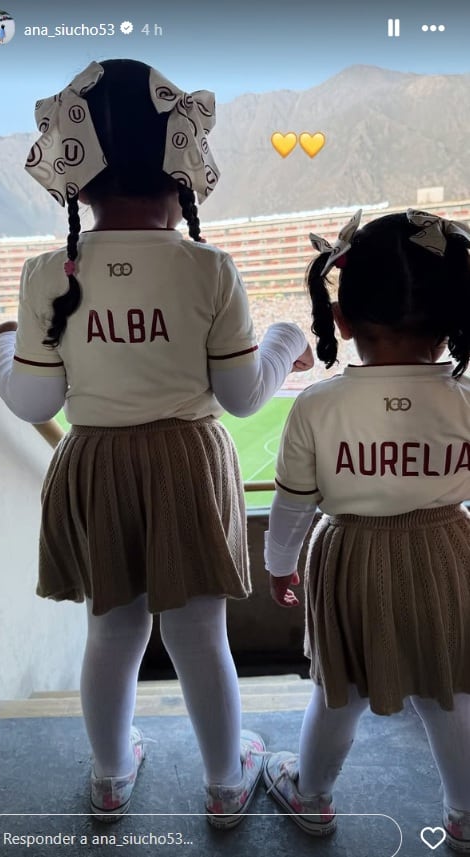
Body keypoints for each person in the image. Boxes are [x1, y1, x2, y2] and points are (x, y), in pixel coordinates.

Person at [0, 59, 312, 826]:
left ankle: (109, 775)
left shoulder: (45, 274)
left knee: (112, 629)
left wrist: (0, 345)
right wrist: (287, 336)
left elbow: (34, 399)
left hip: (96, 464)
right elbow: (242, 396)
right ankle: (226, 782)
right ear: (182, 165)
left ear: (78, 177)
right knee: (199, 632)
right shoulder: (209, 269)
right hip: (187, 465)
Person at [263, 209, 470, 851]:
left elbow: (292, 506)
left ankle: (311, 796)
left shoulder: (316, 405)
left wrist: (279, 565)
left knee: (339, 692)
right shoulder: (466, 399)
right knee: (451, 691)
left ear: (343, 319)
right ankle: (466, 817)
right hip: (449, 554)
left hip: (349, 556)